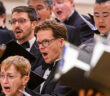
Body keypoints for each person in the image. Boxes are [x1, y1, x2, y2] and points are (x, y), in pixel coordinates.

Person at [26, 19, 74, 95]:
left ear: (61, 42)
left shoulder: (70, 70)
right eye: (39, 43)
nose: (41, 47)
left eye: (46, 42)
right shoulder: (38, 70)